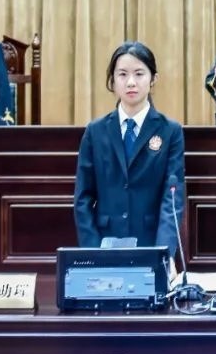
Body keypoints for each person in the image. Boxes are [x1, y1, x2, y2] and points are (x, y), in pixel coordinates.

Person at [74, 41, 184, 255]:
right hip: (104, 244)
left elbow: (172, 200)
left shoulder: (170, 131)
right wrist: (92, 252)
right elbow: (83, 198)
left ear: (153, 79)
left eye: (139, 74)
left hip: (150, 244)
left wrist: (163, 254)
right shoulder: (95, 131)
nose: (131, 82)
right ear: (113, 80)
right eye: (122, 74)